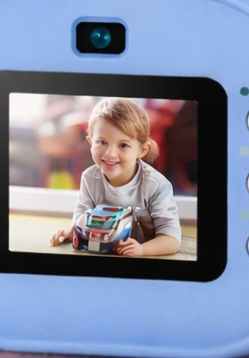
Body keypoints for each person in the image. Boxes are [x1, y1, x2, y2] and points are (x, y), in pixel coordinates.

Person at [50, 97, 181, 258]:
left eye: (123, 145)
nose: (110, 154)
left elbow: (172, 239)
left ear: (142, 150)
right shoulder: (89, 178)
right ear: (90, 142)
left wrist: (142, 250)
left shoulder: (156, 185)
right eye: (102, 142)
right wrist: (73, 231)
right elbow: (82, 217)